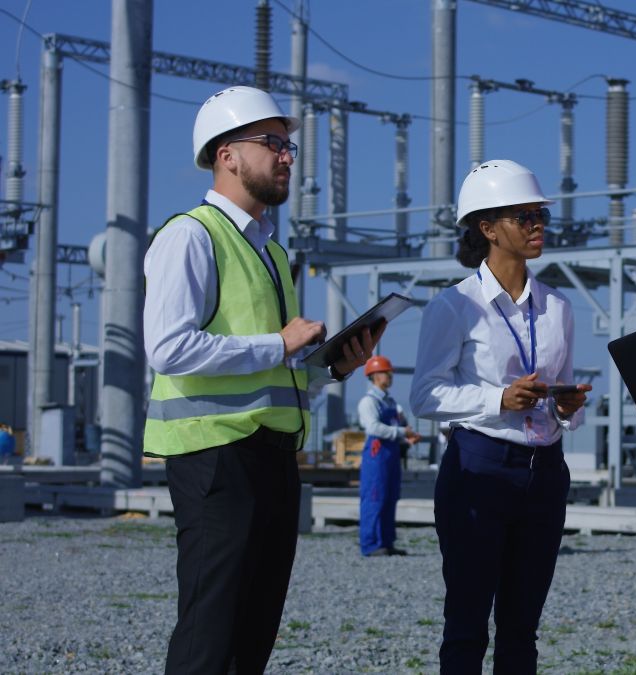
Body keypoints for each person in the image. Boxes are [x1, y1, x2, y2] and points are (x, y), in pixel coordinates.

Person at [142, 85, 381, 674]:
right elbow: (168, 348)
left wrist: (331, 369)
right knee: (210, 631)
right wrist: (279, 343)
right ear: (226, 154)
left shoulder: (272, 255)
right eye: (271, 143)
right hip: (215, 457)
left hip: (273, 458)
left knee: (253, 634)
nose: (286, 157)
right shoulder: (191, 235)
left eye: (288, 147)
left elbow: (276, 370)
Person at [410, 159, 591, 674]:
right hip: (479, 470)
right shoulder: (453, 307)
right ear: (487, 228)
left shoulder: (558, 307)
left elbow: (561, 396)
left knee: (522, 630)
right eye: (524, 216)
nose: (538, 226)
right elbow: (424, 395)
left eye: (540, 215)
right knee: (467, 626)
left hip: (546, 473)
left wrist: (568, 407)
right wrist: (497, 400)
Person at [357, 353, 420, 557]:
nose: (390, 376)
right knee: (375, 497)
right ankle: (371, 544)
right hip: (377, 455)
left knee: (390, 497)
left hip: (391, 453)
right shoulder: (369, 402)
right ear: (375, 375)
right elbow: (374, 428)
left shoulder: (391, 402)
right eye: (385, 372)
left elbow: (395, 426)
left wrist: (406, 439)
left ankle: (386, 541)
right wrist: (402, 433)